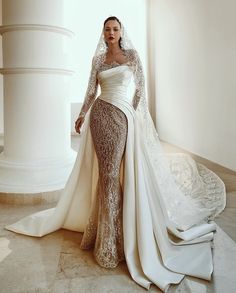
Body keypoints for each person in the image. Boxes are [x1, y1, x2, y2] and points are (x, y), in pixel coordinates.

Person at [5, 16, 226, 292]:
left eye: (115, 29)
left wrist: (131, 111)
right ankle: (106, 238)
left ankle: (119, 239)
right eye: (107, 29)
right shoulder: (98, 60)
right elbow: (90, 91)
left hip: (122, 118)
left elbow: (142, 89)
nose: (111, 33)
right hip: (100, 116)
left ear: (121, 32)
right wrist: (83, 114)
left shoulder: (132, 55)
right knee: (107, 174)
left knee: (115, 175)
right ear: (103, 33)